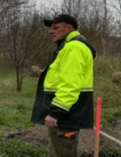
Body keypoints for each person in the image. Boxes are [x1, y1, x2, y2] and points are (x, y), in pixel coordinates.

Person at [31, 14, 96, 157]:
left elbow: (70, 84)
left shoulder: (73, 48)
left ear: (69, 28)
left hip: (66, 116)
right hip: (67, 115)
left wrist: (55, 111)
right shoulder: (69, 47)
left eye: (56, 28)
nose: (51, 31)